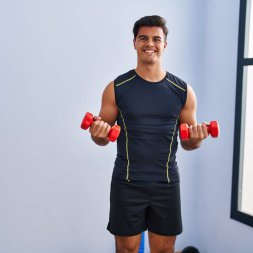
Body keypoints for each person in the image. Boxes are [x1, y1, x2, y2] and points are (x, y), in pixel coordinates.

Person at [89, 15, 208, 253]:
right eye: (143, 38)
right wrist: (98, 133)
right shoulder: (116, 88)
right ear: (134, 42)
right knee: (127, 250)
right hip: (126, 183)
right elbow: (100, 138)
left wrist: (195, 140)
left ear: (165, 44)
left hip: (166, 183)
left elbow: (189, 143)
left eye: (156, 38)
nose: (149, 43)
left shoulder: (183, 91)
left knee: (164, 251)